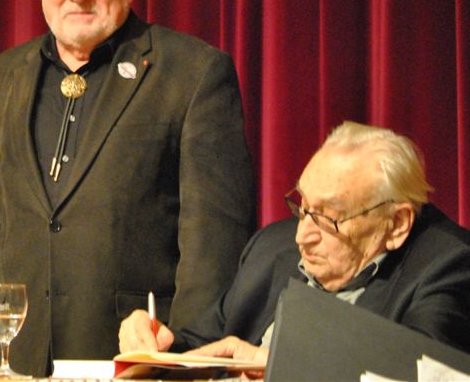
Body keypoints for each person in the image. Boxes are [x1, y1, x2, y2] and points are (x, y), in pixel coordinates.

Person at [0, 0, 255, 376]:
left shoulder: (192, 73)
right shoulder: (0, 78)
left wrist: (182, 355)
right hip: (15, 358)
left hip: (136, 359)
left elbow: (214, 239)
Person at [118, 121, 470, 363]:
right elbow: (203, 346)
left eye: (330, 218)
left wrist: (277, 366)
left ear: (396, 224)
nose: (302, 236)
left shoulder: (447, 266)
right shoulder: (271, 247)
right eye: (303, 208)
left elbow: (416, 372)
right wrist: (158, 345)